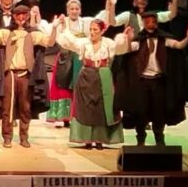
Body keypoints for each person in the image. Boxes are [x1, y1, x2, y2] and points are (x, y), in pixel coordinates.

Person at [0, 4, 58, 147]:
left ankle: (24, 136)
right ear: (14, 17)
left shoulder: (33, 33)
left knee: (25, 107)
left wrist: (54, 28)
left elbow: (50, 42)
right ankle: (7, 137)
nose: (21, 17)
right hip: (10, 74)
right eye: (18, 15)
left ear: (28, 16)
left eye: (24, 15)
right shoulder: (6, 33)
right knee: (7, 107)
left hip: (26, 75)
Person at [116, 11, 188, 145]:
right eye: (148, 22)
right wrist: (128, 38)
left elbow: (179, 46)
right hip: (142, 82)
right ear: (144, 24)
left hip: (159, 81)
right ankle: (141, 137)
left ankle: (159, 137)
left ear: (157, 23)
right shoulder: (139, 40)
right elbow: (128, 50)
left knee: (159, 111)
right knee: (141, 111)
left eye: (153, 21)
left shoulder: (164, 39)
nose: (151, 24)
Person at [56, 17, 133, 149]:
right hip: (86, 76)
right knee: (86, 108)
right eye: (90, 29)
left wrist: (127, 38)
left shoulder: (108, 43)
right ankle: (87, 139)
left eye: (95, 30)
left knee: (102, 108)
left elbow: (122, 48)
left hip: (103, 76)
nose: (92, 32)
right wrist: (64, 27)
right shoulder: (84, 43)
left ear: (102, 31)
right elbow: (69, 41)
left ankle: (99, 139)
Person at [46, 0, 97, 128]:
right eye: (71, 9)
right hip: (65, 57)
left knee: (79, 86)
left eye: (77, 9)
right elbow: (54, 35)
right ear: (67, 10)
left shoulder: (85, 22)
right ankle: (63, 116)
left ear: (80, 10)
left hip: (80, 58)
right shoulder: (63, 22)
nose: (74, 11)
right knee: (62, 86)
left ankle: (77, 116)